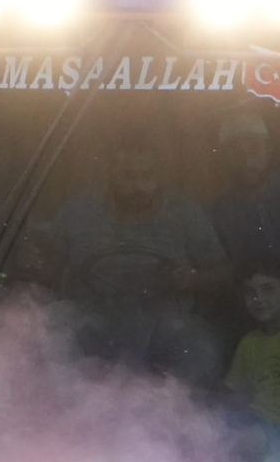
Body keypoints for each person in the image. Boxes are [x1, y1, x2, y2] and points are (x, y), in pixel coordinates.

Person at [41, 129, 227, 381]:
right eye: (127, 176)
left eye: (147, 175)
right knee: (53, 321)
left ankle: (185, 413)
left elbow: (222, 271)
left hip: (164, 326)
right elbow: (46, 269)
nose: (138, 186)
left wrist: (191, 279)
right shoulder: (76, 213)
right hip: (93, 320)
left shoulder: (185, 213)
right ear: (109, 174)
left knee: (199, 344)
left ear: (158, 175)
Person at [224, 260, 280, 454]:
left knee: (248, 441)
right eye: (250, 292)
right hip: (257, 420)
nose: (258, 299)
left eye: (268, 289)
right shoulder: (248, 344)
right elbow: (237, 396)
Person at [207, 112, 280, 278]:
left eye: (254, 148)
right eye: (236, 152)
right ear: (224, 158)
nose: (246, 160)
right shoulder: (217, 215)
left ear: (269, 149)